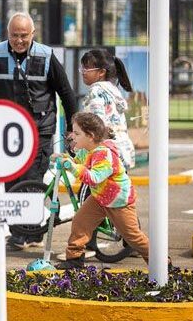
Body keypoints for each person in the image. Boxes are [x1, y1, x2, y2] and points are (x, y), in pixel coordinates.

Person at [0, 12, 78, 251]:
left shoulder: (46, 55)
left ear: (33, 34)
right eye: (14, 35)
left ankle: (26, 233)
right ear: (7, 34)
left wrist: (72, 129)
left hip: (39, 130)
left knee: (30, 180)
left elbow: (66, 92)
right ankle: (24, 232)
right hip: (7, 132)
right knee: (11, 181)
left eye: (24, 35)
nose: (19, 40)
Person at [54, 112, 150, 269]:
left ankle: (161, 262)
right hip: (100, 197)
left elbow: (93, 178)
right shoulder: (86, 150)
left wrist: (71, 167)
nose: (73, 137)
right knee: (80, 222)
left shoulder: (104, 154)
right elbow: (77, 162)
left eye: (77, 133)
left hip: (119, 201)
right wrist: (65, 159)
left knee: (133, 236)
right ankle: (74, 259)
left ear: (90, 136)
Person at [79, 49, 136, 170]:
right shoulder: (114, 91)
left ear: (101, 72)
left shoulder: (96, 91)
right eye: (82, 68)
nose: (82, 72)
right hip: (122, 151)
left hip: (105, 156)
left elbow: (96, 124)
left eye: (86, 69)